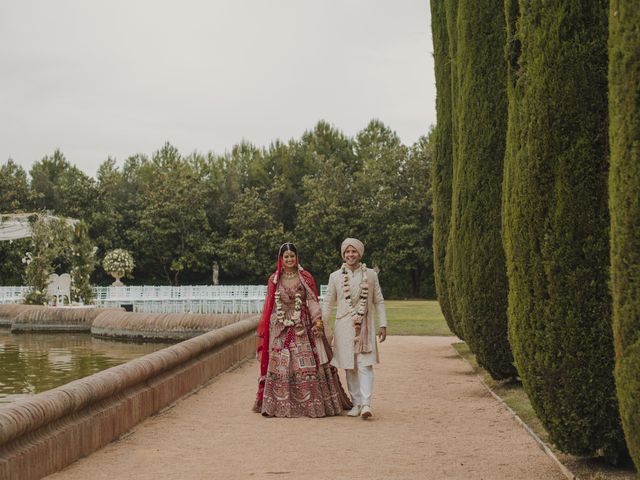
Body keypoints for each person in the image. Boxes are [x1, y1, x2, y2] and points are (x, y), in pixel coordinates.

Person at [253, 242, 351, 417]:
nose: (290, 259)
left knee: (304, 363)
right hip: (281, 327)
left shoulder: (305, 277)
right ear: (281, 259)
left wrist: (317, 322)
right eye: (286, 257)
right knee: (282, 365)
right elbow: (271, 306)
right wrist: (277, 322)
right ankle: (277, 404)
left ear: (296, 258)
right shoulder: (274, 279)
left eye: (292, 256)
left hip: (303, 326)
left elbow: (312, 300)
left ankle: (311, 405)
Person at [322, 238, 387, 419]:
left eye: (354, 251)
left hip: (365, 325)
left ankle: (366, 403)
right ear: (343, 254)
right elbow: (328, 302)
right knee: (349, 367)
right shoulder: (335, 276)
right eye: (347, 252)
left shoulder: (371, 275)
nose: (351, 255)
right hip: (343, 325)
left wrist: (383, 324)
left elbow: (378, 300)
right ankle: (356, 403)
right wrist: (321, 323)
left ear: (360, 253)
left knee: (365, 364)